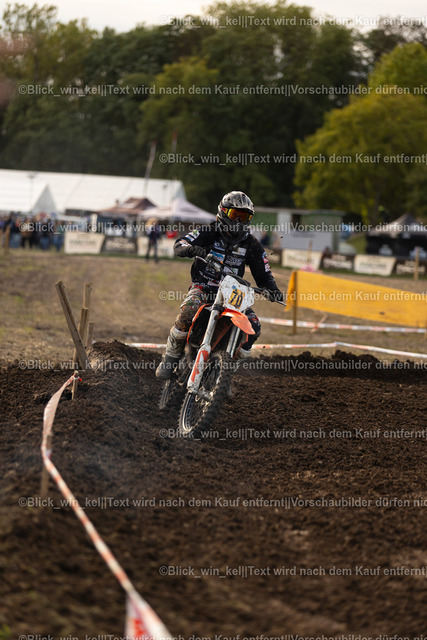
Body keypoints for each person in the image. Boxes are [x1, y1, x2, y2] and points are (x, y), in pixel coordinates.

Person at [156, 190, 284, 380]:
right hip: (204, 287)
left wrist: (273, 290)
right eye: (235, 215)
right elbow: (180, 243)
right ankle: (170, 357)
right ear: (223, 212)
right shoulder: (209, 231)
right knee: (189, 310)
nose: (238, 221)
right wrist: (191, 249)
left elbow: (263, 274)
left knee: (254, 327)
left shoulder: (251, 244)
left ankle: (226, 373)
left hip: (233, 294)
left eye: (244, 217)